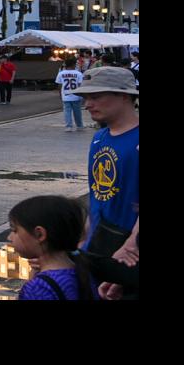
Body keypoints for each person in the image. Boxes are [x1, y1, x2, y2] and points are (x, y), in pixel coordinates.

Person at [77, 66, 140, 299]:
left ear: (124, 95)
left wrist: (133, 243)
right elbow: (96, 195)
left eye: (96, 96)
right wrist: (82, 242)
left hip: (129, 252)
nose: (88, 104)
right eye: (85, 98)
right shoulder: (99, 138)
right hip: (100, 248)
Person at [8, 196, 96, 301]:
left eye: (14, 231)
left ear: (39, 234)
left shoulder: (38, 287)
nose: (9, 237)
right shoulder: (82, 272)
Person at [56, 60, 86, 131]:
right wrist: (83, 95)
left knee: (67, 112)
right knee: (77, 112)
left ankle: (68, 126)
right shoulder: (78, 73)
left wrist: (60, 94)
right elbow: (80, 85)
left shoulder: (61, 73)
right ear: (73, 65)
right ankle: (79, 126)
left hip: (65, 95)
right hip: (76, 96)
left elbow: (59, 85)